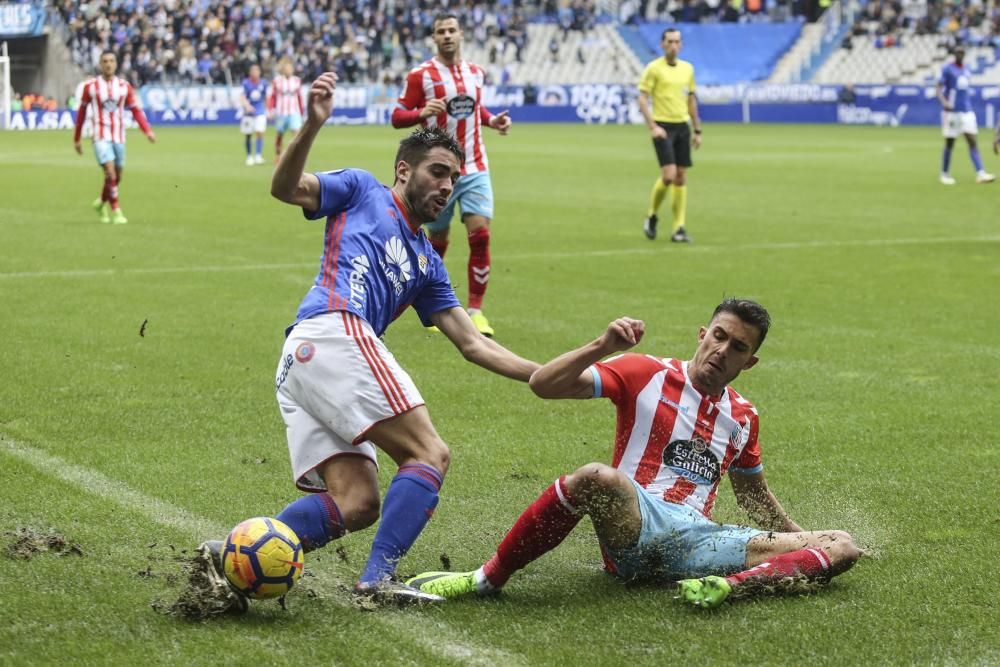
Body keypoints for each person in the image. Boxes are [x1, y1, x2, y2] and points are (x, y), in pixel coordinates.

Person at [190, 72, 539, 611]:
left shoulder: (429, 263)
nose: (447, 186)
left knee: (357, 503)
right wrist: (313, 123)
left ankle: (232, 559)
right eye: (437, 172)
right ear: (404, 170)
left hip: (305, 360)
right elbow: (286, 188)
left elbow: (475, 345)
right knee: (429, 452)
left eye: (454, 177)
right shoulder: (360, 189)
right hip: (333, 330)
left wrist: (540, 373)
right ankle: (377, 580)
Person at [407, 299, 862, 609]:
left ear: (750, 362)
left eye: (738, 347)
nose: (722, 351)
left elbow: (754, 498)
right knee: (596, 476)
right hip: (635, 523)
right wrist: (604, 346)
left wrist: (806, 535)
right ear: (703, 334)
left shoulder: (743, 416)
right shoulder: (646, 372)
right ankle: (487, 578)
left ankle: (724, 588)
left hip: (699, 543)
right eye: (719, 336)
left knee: (840, 544)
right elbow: (543, 385)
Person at [391, 13, 512, 338]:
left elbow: (476, 110)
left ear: (461, 34)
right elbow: (397, 116)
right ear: (434, 38)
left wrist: (493, 121)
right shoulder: (422, 75)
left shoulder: (476, 72)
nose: (446, 35)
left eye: (451, 30)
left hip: (474, 167)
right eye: (440, 31)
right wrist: (420, 112)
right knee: (436, 244)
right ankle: (431, 305)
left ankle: (475, 311)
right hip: (436, 173)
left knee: (481, 235)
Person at [73, 50, 156, 225]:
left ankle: (101, 203)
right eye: (105, 61)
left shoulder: (124, 86)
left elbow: (135, 110)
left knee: (117, 177)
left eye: (111, 61)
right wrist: (77, 138)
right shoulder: (92, 87)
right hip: (99, 135)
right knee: (110, 173)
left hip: (119, 135)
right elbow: (81, 113)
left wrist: (147, 130)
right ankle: (116, 211)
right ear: (100, 64)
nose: (108, 64)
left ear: (116, 64)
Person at [637, 27, 702, 244]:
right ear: (662, 44)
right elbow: (642, 99)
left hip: (682, 125)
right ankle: (652, 215)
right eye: (670, 42)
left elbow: (691, 99)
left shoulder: (688, 69)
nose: (673, 45)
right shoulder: (653, 69)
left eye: (677, 42)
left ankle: (678, 228)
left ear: (681, 45)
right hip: (663, 126)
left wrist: (697, 129)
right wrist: (652, 126)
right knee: (668, 175)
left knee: (681, 176)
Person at [936, 47, 995, 185]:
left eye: (962, 52)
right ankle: (944, 173)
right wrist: (944, 102)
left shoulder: (967, 68)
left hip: (966, 111)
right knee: (950, 143)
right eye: (958, 52)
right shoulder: (948, 69)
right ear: (954, 54)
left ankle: (980, 173)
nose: (960, 54)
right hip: (952, 112)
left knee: (973, 141)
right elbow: (938, 87)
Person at [267, 57, 304, 162]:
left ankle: (296, 156)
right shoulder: (277, 81)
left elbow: (299, 97)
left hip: (294, 111)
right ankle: (278, 155)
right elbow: (273, 96)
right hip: (281, 112)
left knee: (297, 134)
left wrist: (302, 111)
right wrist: (270, 109)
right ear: (283, 70)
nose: (288, 70)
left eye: (290, 68)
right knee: (279, 135)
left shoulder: (297, 81)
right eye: (286, 68)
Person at [240, 64, 268, 166]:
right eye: (253, 71)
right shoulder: (245, 83)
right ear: (250, 73)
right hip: (248, 113)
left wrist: (268, 110)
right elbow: (242, 96)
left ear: (259, 72)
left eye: (256, 71)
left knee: (260, 132)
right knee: (248, 134)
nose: (255, 73)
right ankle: (249, 156)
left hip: (260, 111)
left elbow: (266, 97)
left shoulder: (263, 83)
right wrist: (247, 106)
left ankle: (258, 155)